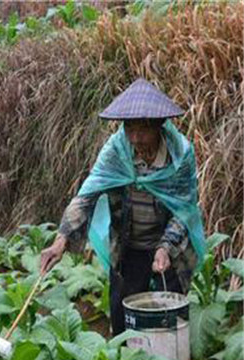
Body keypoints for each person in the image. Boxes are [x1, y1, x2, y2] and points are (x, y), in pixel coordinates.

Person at [39, 78, 205, 335]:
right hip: (129, 242)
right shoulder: (117, 151)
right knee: (122, 314)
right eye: (130, 128)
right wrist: (61, 240)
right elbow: (87, 195)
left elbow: (184, 208)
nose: (135, 137)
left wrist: (165, 248)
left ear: (159, 125)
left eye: (142, 129)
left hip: (171, 245)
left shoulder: (180, 155)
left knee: (169, 314)